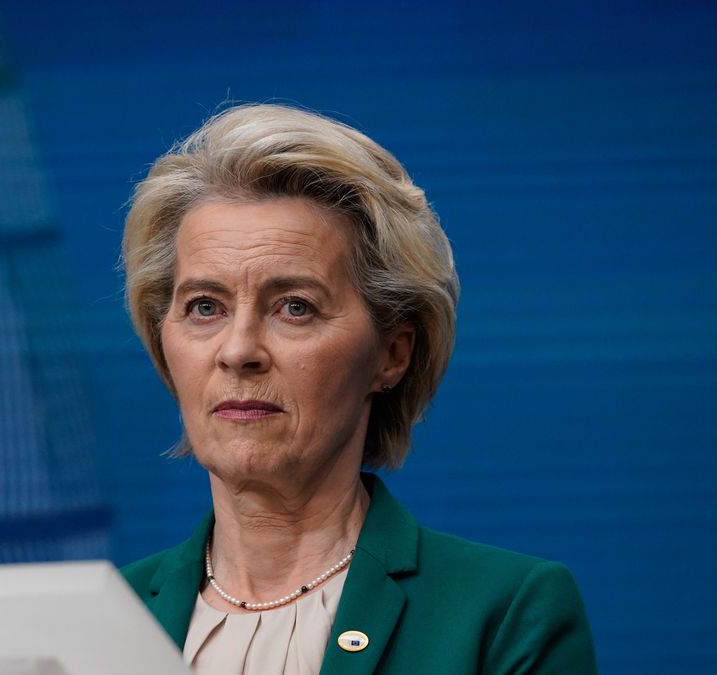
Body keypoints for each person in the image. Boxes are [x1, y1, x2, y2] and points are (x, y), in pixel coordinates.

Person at [119, 103, 596, 674]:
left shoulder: (503, 613)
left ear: (391, 355)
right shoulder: (100, 617)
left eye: (295, 307)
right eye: (204, 307)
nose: (238, 350)